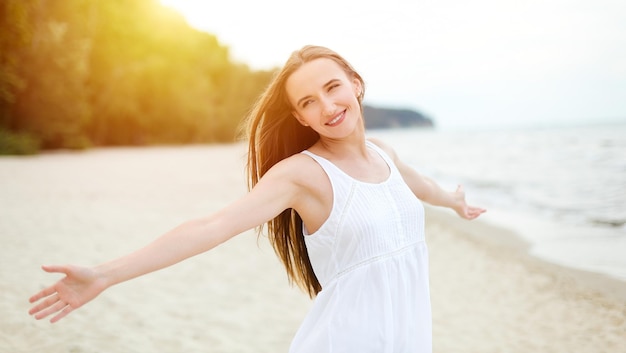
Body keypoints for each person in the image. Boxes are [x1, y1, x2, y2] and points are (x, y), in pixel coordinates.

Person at [28, 45, 486, 352]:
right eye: (308, 102)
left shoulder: (383, 155)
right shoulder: (301, 176)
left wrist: (454, 200)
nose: (327, 107)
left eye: (332, 88)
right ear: (299, 116)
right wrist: (104, 275)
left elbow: (416, 184)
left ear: (355, 84)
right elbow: (211, 226)